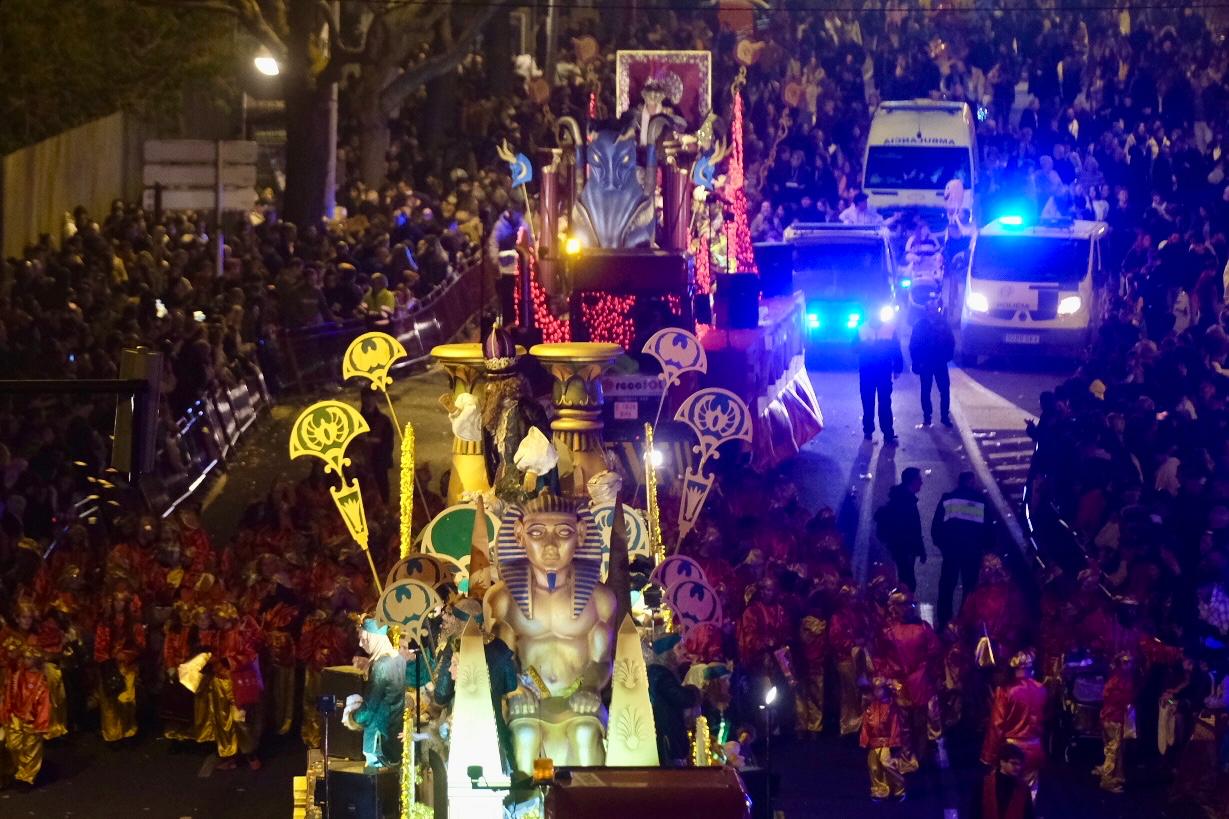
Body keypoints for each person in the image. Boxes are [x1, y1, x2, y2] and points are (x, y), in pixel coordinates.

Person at [980, 650, 1048, 800]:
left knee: (1008, 798)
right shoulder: (1041, 689)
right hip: (1034, 750)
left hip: (1012, 752)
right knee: (1030, 797)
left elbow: (996, 726)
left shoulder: (1005, 691)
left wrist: (989, 756)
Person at [932, 472, 995, 627]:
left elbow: (936, 527)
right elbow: (988, 528)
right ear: (972, 482)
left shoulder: (948, 499)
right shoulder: (981, 501)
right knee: (970, 588)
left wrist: (943, 546)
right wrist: (985, 548)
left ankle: (945, 622)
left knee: (947, 586)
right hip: (972, 552)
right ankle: (964, 621)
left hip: (951, 551)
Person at [855, 310, 904, 443]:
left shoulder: (889, 329)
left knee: (884, 403)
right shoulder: (862, 329)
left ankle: (887, 433)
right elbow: (853, 348)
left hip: (882, 372)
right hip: (868, 373)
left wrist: (898, 367)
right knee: (868, 402)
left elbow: (896, 349)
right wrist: (864, 344)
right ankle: (869, 431)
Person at [875, 468, 926, 591]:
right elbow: (911, 529)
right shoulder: (906, 502)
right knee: (908, 582)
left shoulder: (904, 498)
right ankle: (902, 606)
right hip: (905, 548)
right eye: (919, 479)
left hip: (903, 548)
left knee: (906, 579)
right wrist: (917, 548)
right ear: (912, 481)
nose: (922, 482)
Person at [860, 676, 910, 801]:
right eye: (875, 690)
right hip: (874, 742)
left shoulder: (892, 707)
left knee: (888, 764)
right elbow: (866, 724)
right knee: (874, 767)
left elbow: (895, 725)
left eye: (879, 689)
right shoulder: (871, 706)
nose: (876, 692)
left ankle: (900, 788)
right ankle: (879, 790)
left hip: (887, 742)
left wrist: (894, 742)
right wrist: (865, 740)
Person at [909, 298, 955, 428]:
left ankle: (944, 417)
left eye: (935, 309)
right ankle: (927, 417)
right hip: (926, 363)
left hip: (940, 362)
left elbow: (950, 342)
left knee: (944, 390)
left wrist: (947, 357)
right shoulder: (920, 325)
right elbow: (914, 345)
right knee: (926, 390)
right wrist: (917, 362)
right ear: (927, 311)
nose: (933, 311)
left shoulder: (943, 324)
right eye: (931, 309)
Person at [1094, 651, 1136, 793]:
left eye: (1130, 662)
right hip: (1114, 718)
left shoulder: (1117, 678)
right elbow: (1124, 700)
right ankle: (1107, 780)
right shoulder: (1120, 681)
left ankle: (1117, 774)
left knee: (1113, 748)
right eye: (1125, 662)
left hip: (1109, 716)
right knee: (1113, 749)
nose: (1129, 665)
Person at [971, 743, 1036, 819]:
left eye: (1019, 764)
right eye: (1014, 763)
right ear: (1002, 762)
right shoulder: (984, 784)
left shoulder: (1023, 788)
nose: (1018, 767)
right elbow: (974, 813)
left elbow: (1029, 815)